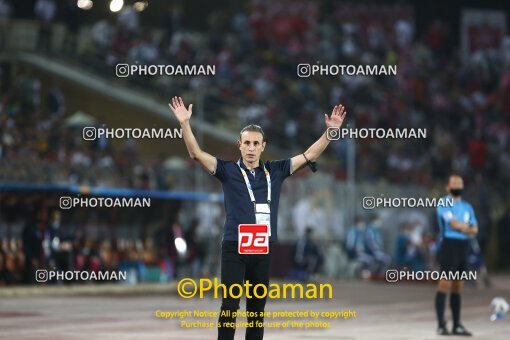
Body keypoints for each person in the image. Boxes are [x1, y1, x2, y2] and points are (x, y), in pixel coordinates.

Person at [168, 96, 346, 340]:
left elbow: (309, 154)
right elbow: (196, 154)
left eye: (256, 143)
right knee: (230, 307)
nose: (251, 148)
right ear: (239, 145)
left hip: (262, 248)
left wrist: (330, 132)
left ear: (263, 146)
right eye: (247, 143)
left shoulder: (277, 170)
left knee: (256, 312)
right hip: (234, 246)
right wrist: (185, 124)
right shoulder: (228, 171)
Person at [435, 174, 478, 336]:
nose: (457, 185)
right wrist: (466, 227)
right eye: (454, 183)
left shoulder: (467, 207)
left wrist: (463, 227)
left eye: (459, 183)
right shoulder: (444, 203)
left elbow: (475, 229)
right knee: (445, 284)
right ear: (447, 187)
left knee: (458, 286)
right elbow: (452, 224)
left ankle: (457, 325)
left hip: (463, 246)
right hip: (449, 245)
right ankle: (441, 324)